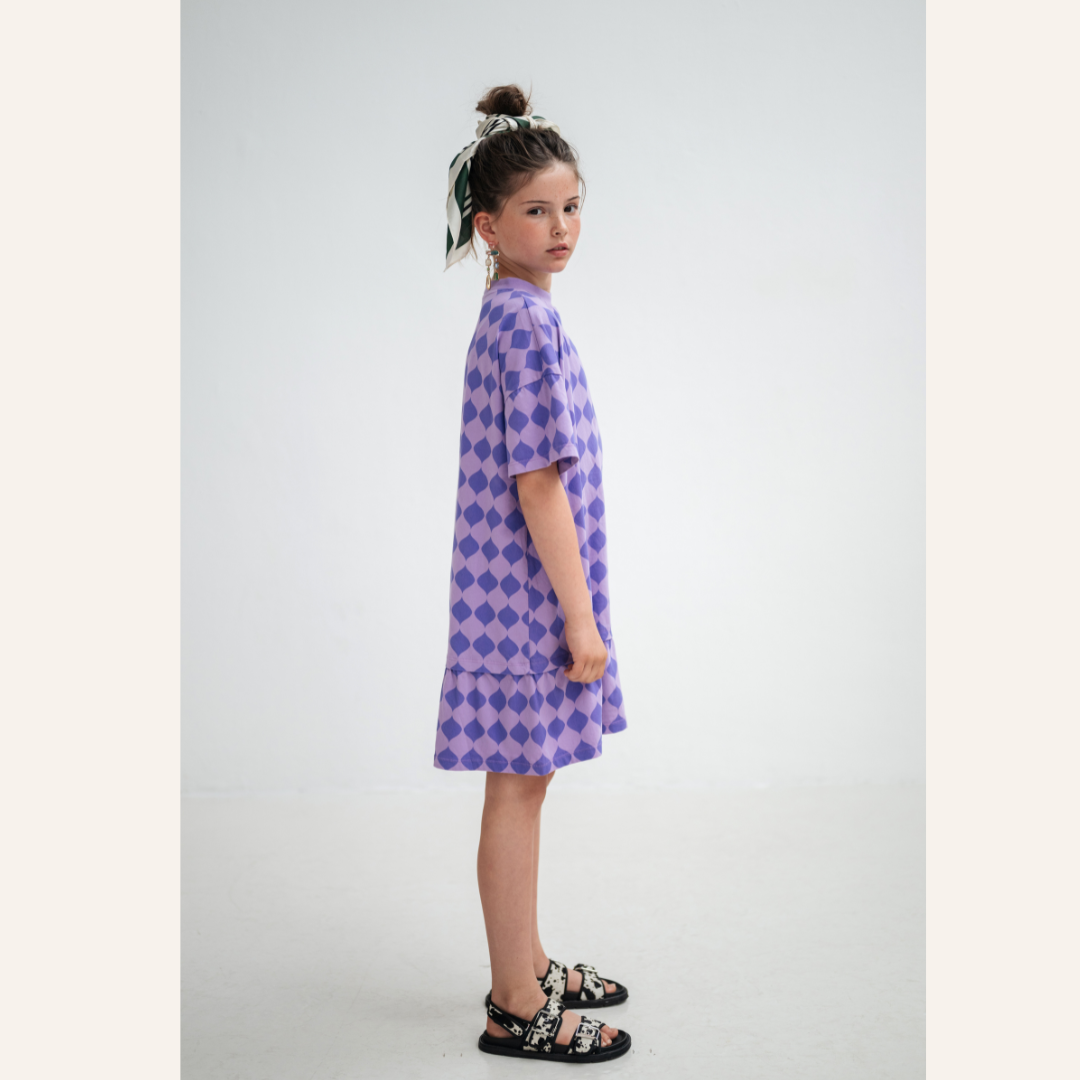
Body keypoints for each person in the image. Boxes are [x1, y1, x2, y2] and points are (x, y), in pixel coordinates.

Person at [434, 84, 632, 1063]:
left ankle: (529, 962)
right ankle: (515, 1003)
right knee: (517, 790)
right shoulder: (524, 324)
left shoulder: (514, 313)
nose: (560, 229)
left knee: (526, 785)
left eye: (571, 206)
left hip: (509, 600)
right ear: (488, 225)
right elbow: (539, 483)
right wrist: (579, 617)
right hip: (524, 606)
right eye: (536, 211)